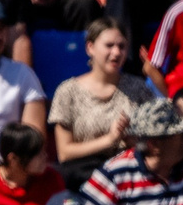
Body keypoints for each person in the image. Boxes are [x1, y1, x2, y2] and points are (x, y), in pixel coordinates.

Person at [46, 14, 157, 184]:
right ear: (90, 48)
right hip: (84, 176)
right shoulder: (68, 92)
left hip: (128, 173)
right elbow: (64, 153)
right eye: (109, 46)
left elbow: (154, 141)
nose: (116, 52)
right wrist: (109, 140)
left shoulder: (139, 89)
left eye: (121, 46)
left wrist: (133, 141)